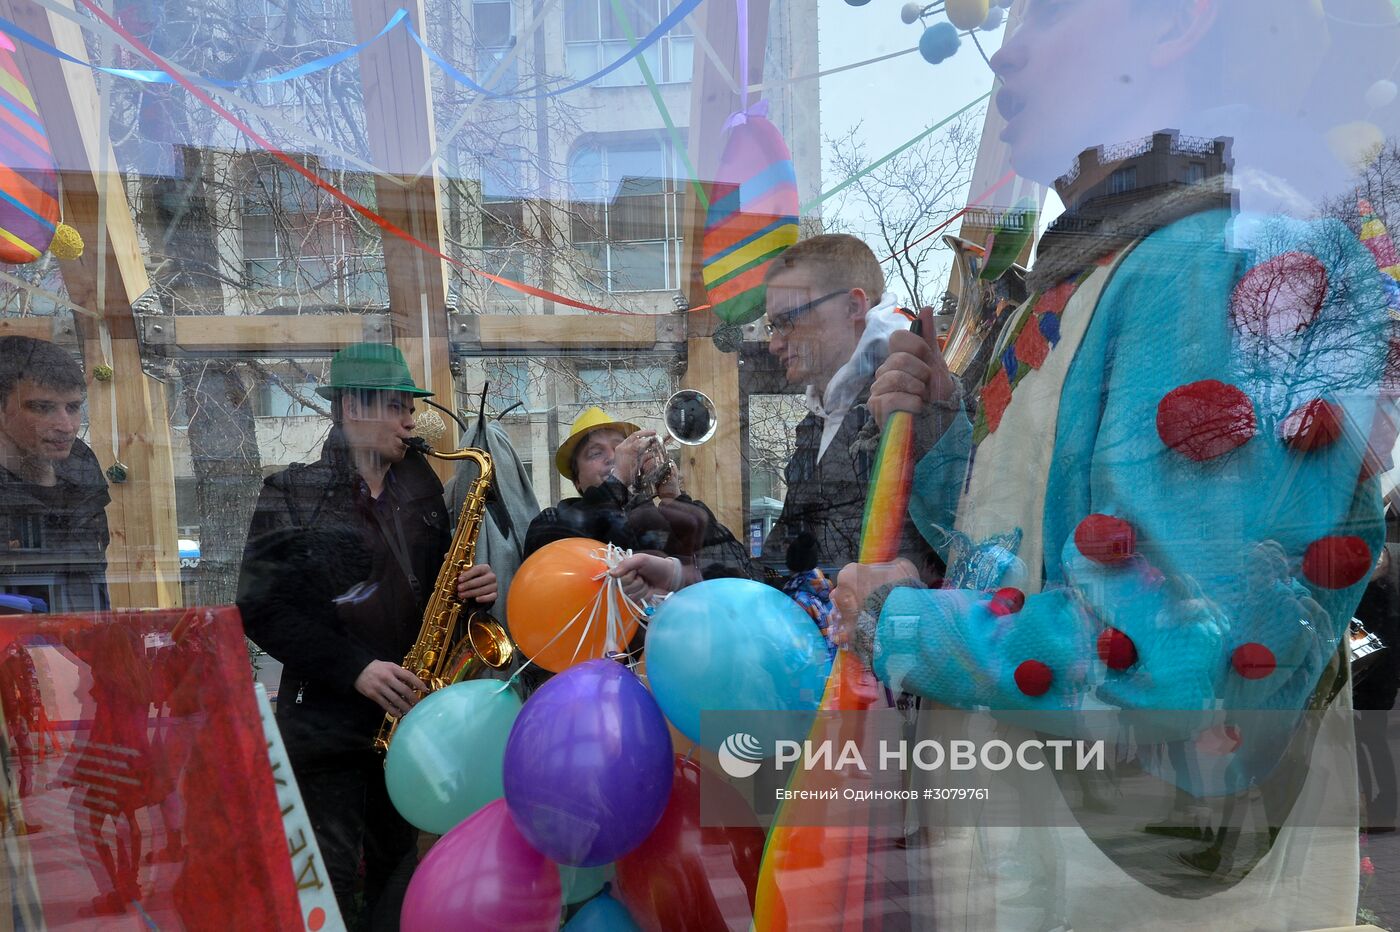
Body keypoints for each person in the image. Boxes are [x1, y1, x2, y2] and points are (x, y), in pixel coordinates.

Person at [832, 1, 1400, 927]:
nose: (1007, 52)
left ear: (1175, 25)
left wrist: (904, 627)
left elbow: (1179, 663)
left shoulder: (1215, 257)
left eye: (1045, 12)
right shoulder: (1126, 263)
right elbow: (1029, 548)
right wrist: (944, 440)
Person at [235, 342, 498, 930]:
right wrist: (356, 667)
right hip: (327, 721)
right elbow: (259, 608)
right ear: (353, 407)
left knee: (400, 871)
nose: (411, 421)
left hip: (413, 716)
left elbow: (434, 591)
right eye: (398, 407)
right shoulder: (291, 492)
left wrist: (469, 590)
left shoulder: (422, 489)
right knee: (328, 878)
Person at [758, 234, 933, 587]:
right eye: (772, 326)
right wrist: (684, 571)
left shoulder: (921, 400)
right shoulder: (817, 422)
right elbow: (781, 567)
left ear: (853, 307)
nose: (775, 343)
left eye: (788, 320)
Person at [525, 405, 752, 605]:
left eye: (619, 448)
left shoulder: (662, 517)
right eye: (595, 453)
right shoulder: (554, 521)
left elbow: (738, 570)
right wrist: (617, 481)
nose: (613, 457)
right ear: (577, 481)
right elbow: (549, 566)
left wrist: (675, 497)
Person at [0, 335, 110, 613]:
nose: (66, 426)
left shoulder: (82, 467)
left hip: (80, 640)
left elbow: (90, 583)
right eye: (42, 407)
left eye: (73, 407)